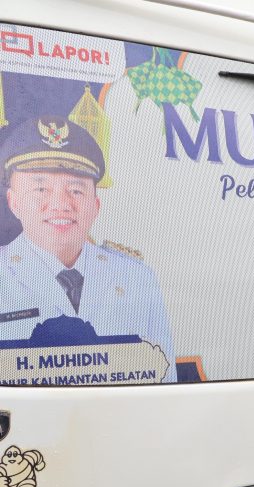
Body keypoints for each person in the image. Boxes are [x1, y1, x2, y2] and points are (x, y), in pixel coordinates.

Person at [0, 116, 176, 382]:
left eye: (76, 191)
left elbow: (164, 382)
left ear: (95, 206)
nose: (60, 204)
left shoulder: (136, 278)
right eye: (40, 189)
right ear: (14, 202)